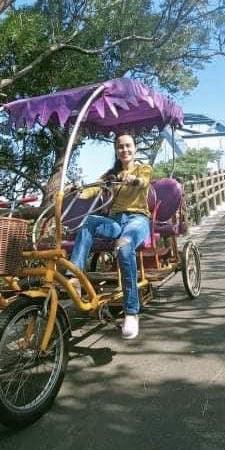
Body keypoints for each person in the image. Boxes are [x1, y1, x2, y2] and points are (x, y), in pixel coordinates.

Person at [70, 133, 152, 339]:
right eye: (120, 147)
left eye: (128, 146)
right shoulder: (110, 174)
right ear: (116, 150)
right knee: (88, 222)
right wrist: (76, 190)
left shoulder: (143, 168)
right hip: (116, 221)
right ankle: (75, 277)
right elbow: (92, 189)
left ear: (135, 148)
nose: (125, 150)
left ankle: (131, 312)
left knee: (124, 248)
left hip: (137, 220)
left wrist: (132, 179)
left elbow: (142, 182)